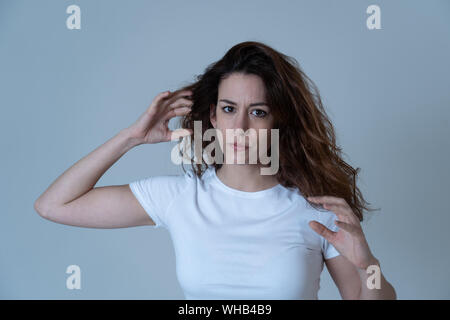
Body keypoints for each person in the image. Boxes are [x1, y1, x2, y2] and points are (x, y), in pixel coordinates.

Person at [34, 41, 396, 300]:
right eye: (227, 109)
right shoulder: (178, 197)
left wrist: (369, 265)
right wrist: (130, 137)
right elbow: (54, 205)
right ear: (212, 116)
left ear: (279, 120)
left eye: (257, 112)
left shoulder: (318, 211)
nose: (239, 125)